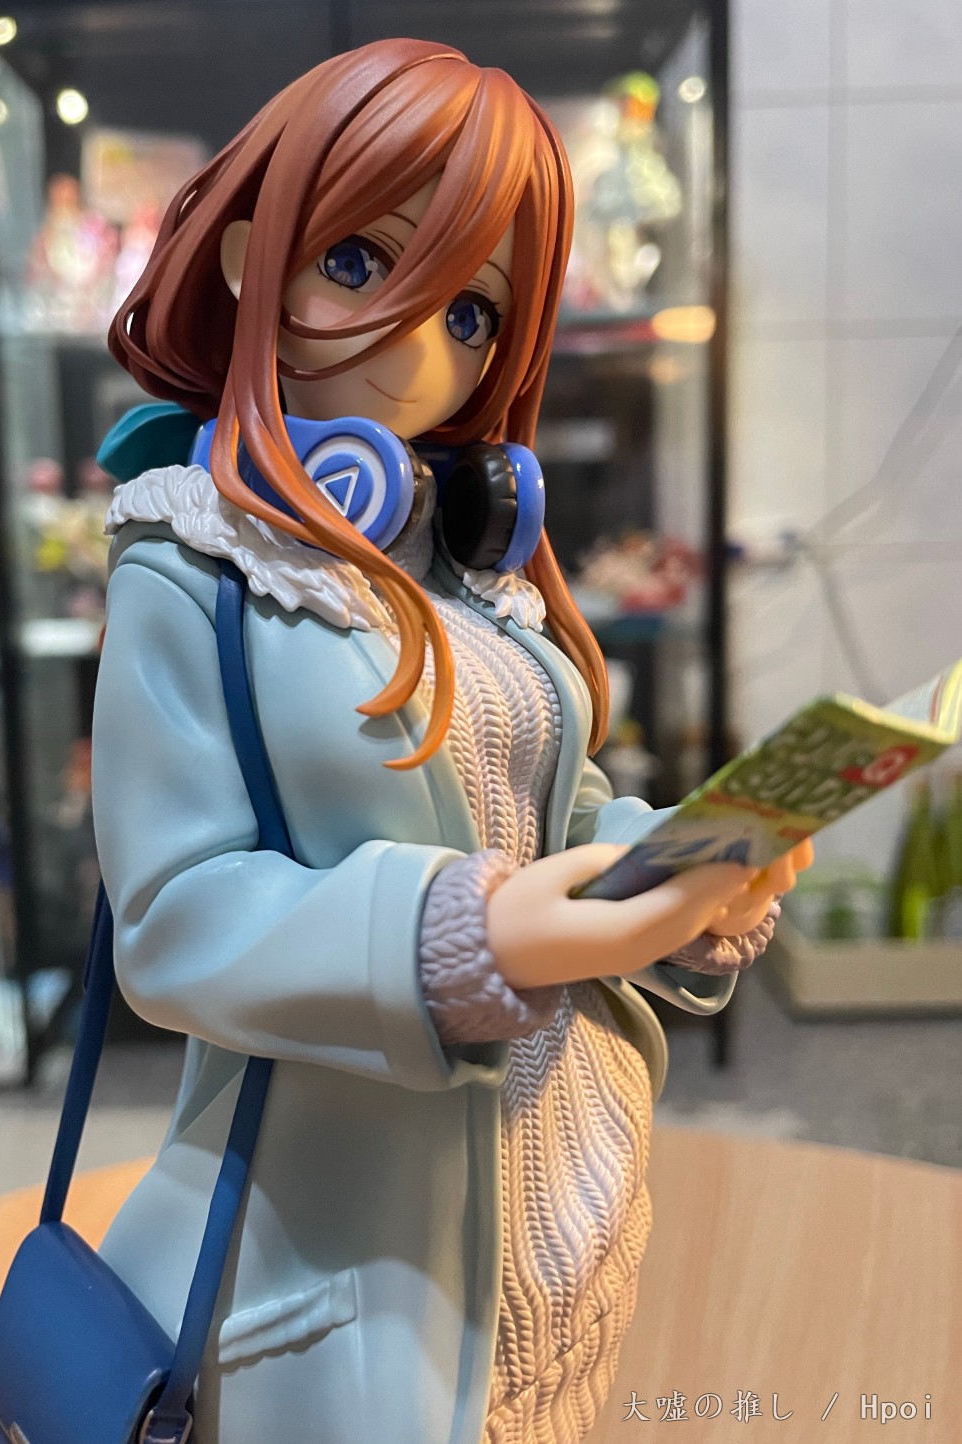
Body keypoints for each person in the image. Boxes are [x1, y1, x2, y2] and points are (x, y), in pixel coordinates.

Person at [90, 39, 811, 1444]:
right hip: (355, 1230)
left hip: (557, 1167)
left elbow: (552, 812)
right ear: (249, 261)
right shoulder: (195, 568)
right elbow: (172, 921)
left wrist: (677, 868)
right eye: (361, 263)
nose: (421, 346)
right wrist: (466, 937)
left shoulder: (470, 568)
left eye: (473, 311)